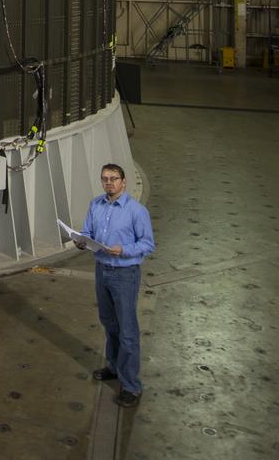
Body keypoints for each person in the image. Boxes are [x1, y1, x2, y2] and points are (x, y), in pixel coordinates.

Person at [76, 162, 155, 407]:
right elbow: (87, 231)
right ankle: (113, 366)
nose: (108, 183)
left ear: (123, 182)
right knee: (109, 323)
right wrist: (81, 240)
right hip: (102, 271)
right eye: (104, 179)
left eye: (113, 179)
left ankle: (131, 385)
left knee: (127, 330)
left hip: (124, 274)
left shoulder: (136, 211)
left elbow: (147, 244)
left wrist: (124, 250)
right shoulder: (96, 205)